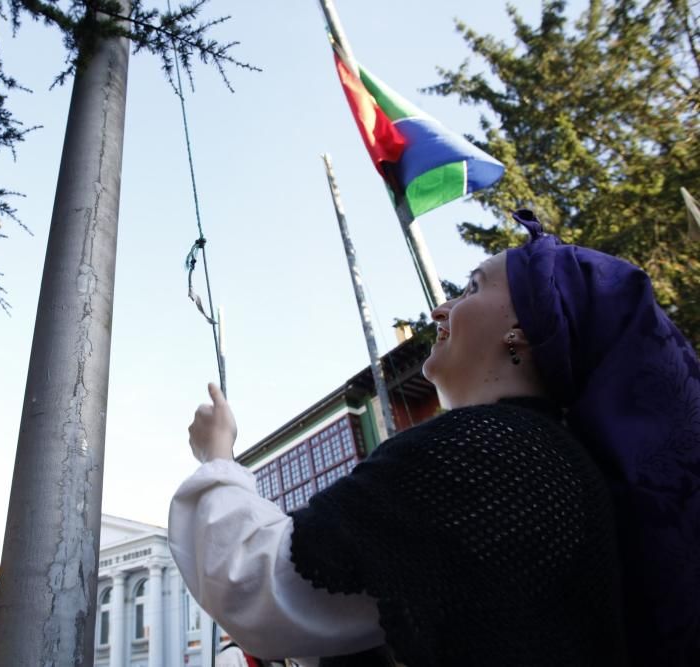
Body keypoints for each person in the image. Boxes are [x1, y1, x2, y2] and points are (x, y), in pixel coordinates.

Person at [168, 211, 700, 666]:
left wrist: (217, 457)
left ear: (525, 325)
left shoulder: (483, 450)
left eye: (472, 288)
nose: (439, 309)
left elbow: (259, 585)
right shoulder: (548, 460)